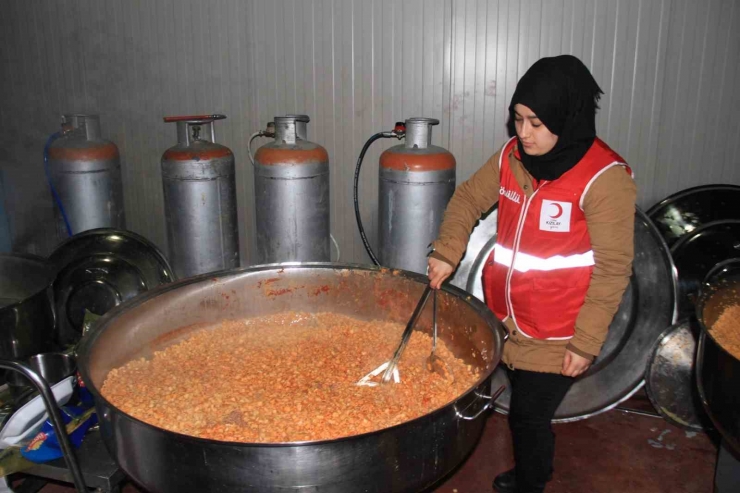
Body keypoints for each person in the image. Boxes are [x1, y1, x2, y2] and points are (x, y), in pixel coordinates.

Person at [427, 54, 636, 493]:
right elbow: (467, 199)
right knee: (524, 406)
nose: (523, 134)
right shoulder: (512, 157)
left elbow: (614, 268)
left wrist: (586, 342)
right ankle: (532, 472)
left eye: (537, 123)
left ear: (567, 116)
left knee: (527, 416)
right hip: (507, 317)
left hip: (560, 329)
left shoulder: (604, 179)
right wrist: (447, 250)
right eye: (518, 119)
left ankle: (530, 483)